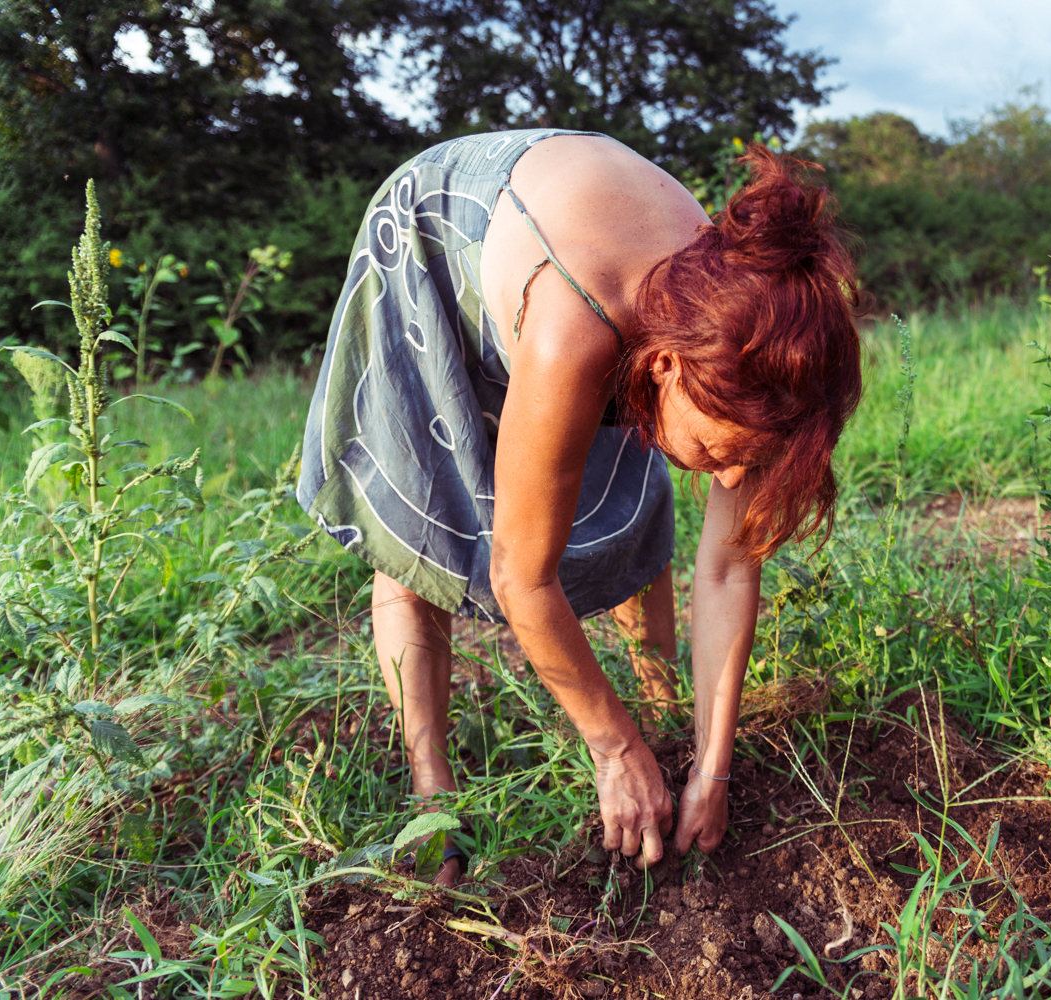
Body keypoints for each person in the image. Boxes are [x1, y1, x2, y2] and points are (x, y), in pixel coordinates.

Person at [296, 130, 862, 885]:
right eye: (724, 450)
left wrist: (712, 769)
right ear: (665, 367)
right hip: (439, 235)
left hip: (584, 247)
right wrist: (613, 748)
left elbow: (727, 568)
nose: (732, 474)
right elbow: (521, 577)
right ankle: (433, 795)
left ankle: (659, 708)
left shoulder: (755, 354)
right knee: (423, 534)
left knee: (631, 510)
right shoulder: (578, 328)